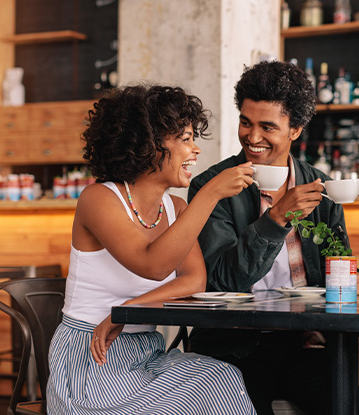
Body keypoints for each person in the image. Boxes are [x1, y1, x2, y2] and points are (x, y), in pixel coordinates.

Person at [46, 84, 256, 414]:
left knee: (222, 378)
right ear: (150, 145)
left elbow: (193, 282)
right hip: (92, 356)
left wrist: (128, 309)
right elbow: (152, 265)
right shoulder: (99, 199)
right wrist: (210, 194)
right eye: (185, 139)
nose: (196, 150)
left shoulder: (176, 208)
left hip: (147, 352)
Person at [187, 60, 359, 415]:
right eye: (246, 122)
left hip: (303, 343)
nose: (252, 137)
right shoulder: (212, 186)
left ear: (296, 130)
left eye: (267, 126)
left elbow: (341, 265)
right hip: (233, 346)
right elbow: (219, 281)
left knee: (350, 409)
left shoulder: (321, 189)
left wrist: (355, 281)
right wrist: (275, 219)